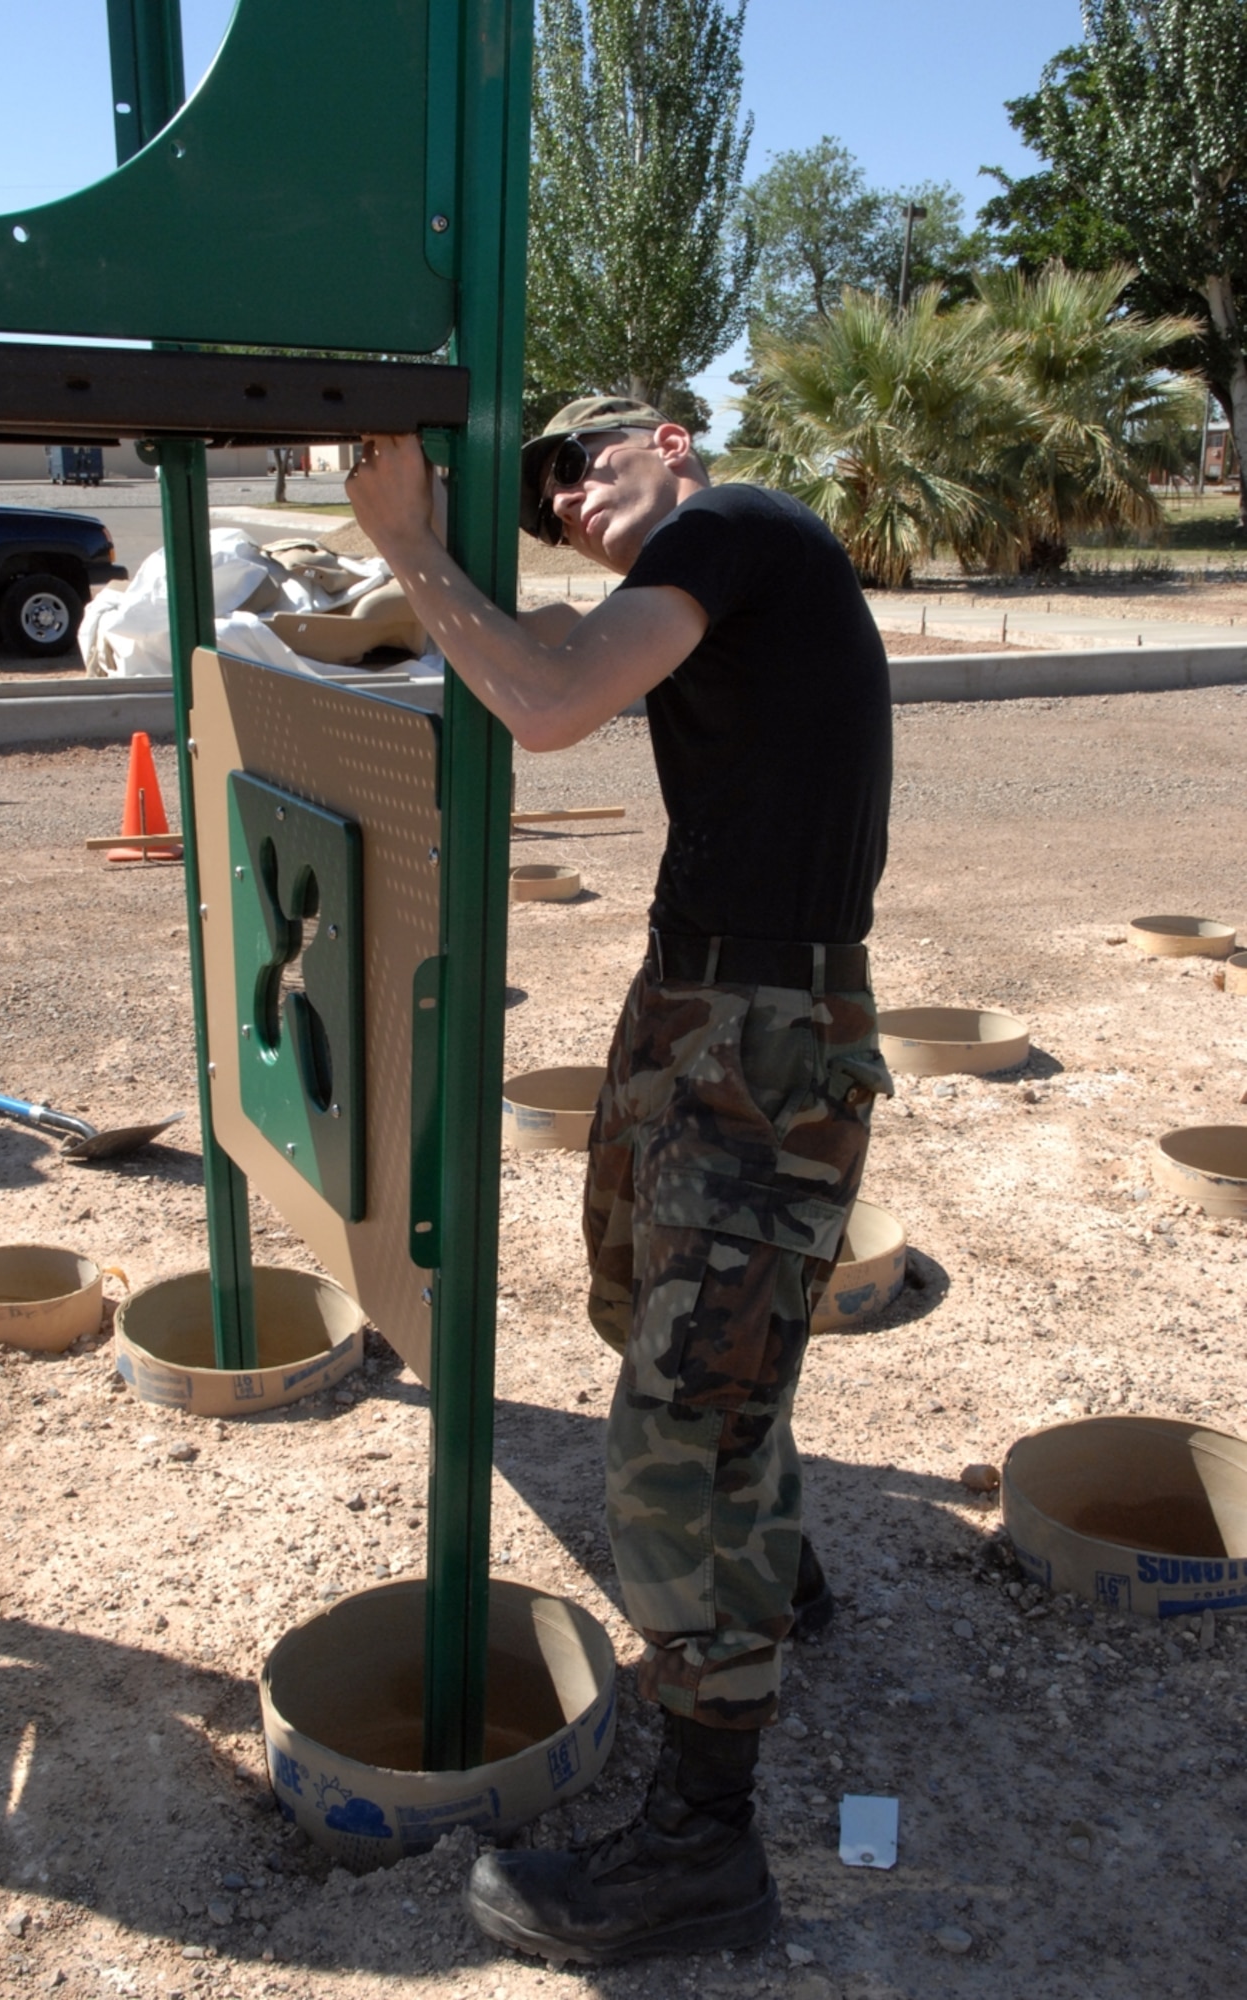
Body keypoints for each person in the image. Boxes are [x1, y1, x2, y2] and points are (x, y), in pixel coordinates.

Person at [346, 397, 893, 1966]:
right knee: (646, 1313)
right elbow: (535, 644)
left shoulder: (737, 525)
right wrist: (428, 569)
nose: (573, 499)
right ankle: (771, 1571)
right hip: (697, 1006)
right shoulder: (708, 578)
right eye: (548, 499)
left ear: (669, 437)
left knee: (677, 1429)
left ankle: (699, 1852)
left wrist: (400, 541)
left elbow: (548, 701)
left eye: (585, 463)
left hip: (768, 1030)